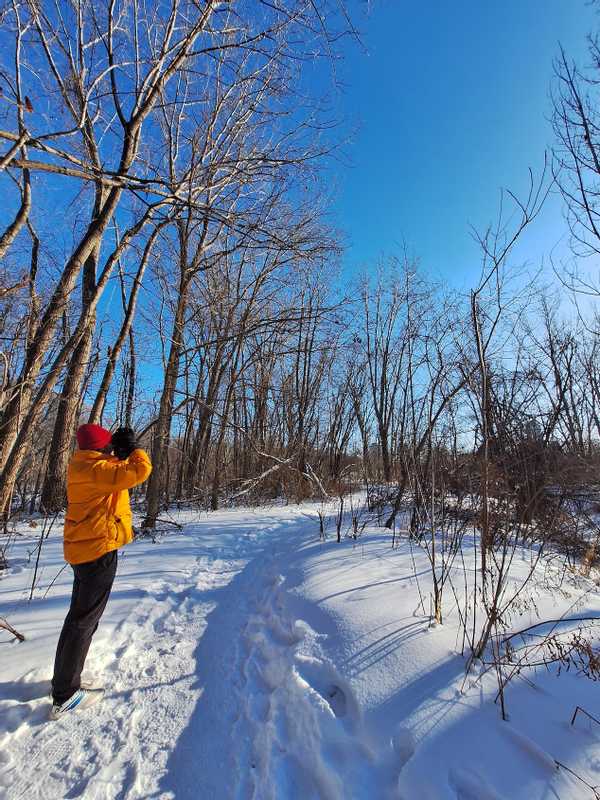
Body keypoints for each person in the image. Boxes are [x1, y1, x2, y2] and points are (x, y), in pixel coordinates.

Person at [50, 423, 152, 719]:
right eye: (107, 445)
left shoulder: (84, 465)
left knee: (78, 619)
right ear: (100, 448)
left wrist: (119, 452)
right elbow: (140, 471)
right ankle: (65, 694)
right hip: (97, 552)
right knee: (83, 622)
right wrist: (134, 450)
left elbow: (115, 471)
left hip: (85, 550)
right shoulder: (97, 470)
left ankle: (64, 680)